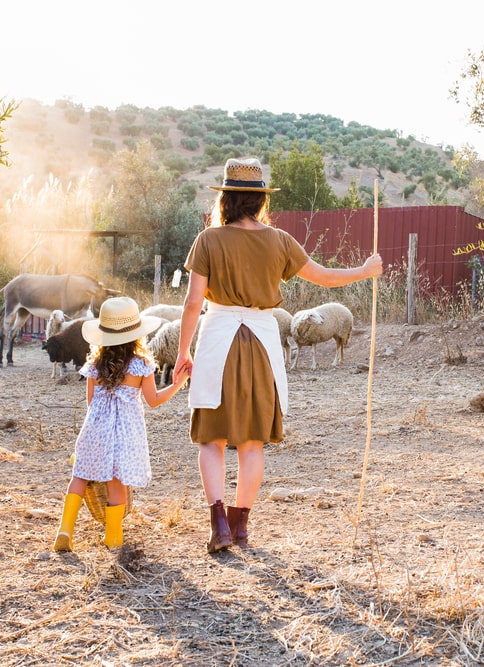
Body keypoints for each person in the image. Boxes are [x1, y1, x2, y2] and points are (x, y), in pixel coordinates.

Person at [174, 157, 382, 554]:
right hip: (263, 345)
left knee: (211, 440)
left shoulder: (208, 240)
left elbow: (192, 303)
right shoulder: (279, 240)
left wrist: (183, 352)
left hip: (218, 340)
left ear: (227, 199)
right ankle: (241, 527)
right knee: (252, 443)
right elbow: (324, 276)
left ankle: (218, 524)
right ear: (259, 200)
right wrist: (364, 270)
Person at [53, 296, 189, 551]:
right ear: (136, 333)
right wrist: (178, 384)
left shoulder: (94, 364)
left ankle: (65, 530)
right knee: (116, 483)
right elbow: (153, 400)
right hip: (124, 435)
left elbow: (91, 402)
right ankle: (113, 537)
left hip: (95, 429)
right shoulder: (141, 365)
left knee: (79, 476)